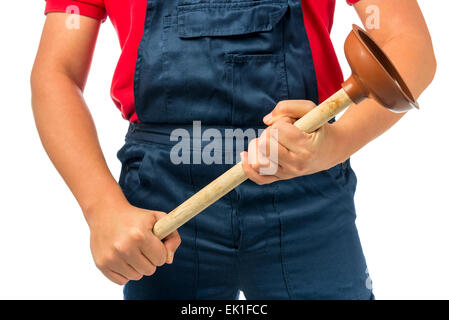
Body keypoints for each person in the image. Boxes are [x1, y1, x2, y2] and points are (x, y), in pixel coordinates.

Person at [31, 0, 436, 299]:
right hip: (161, 206)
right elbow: (56, 74)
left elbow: (406, 45)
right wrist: (101, 209)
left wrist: (333, 144)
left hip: (304, 182)